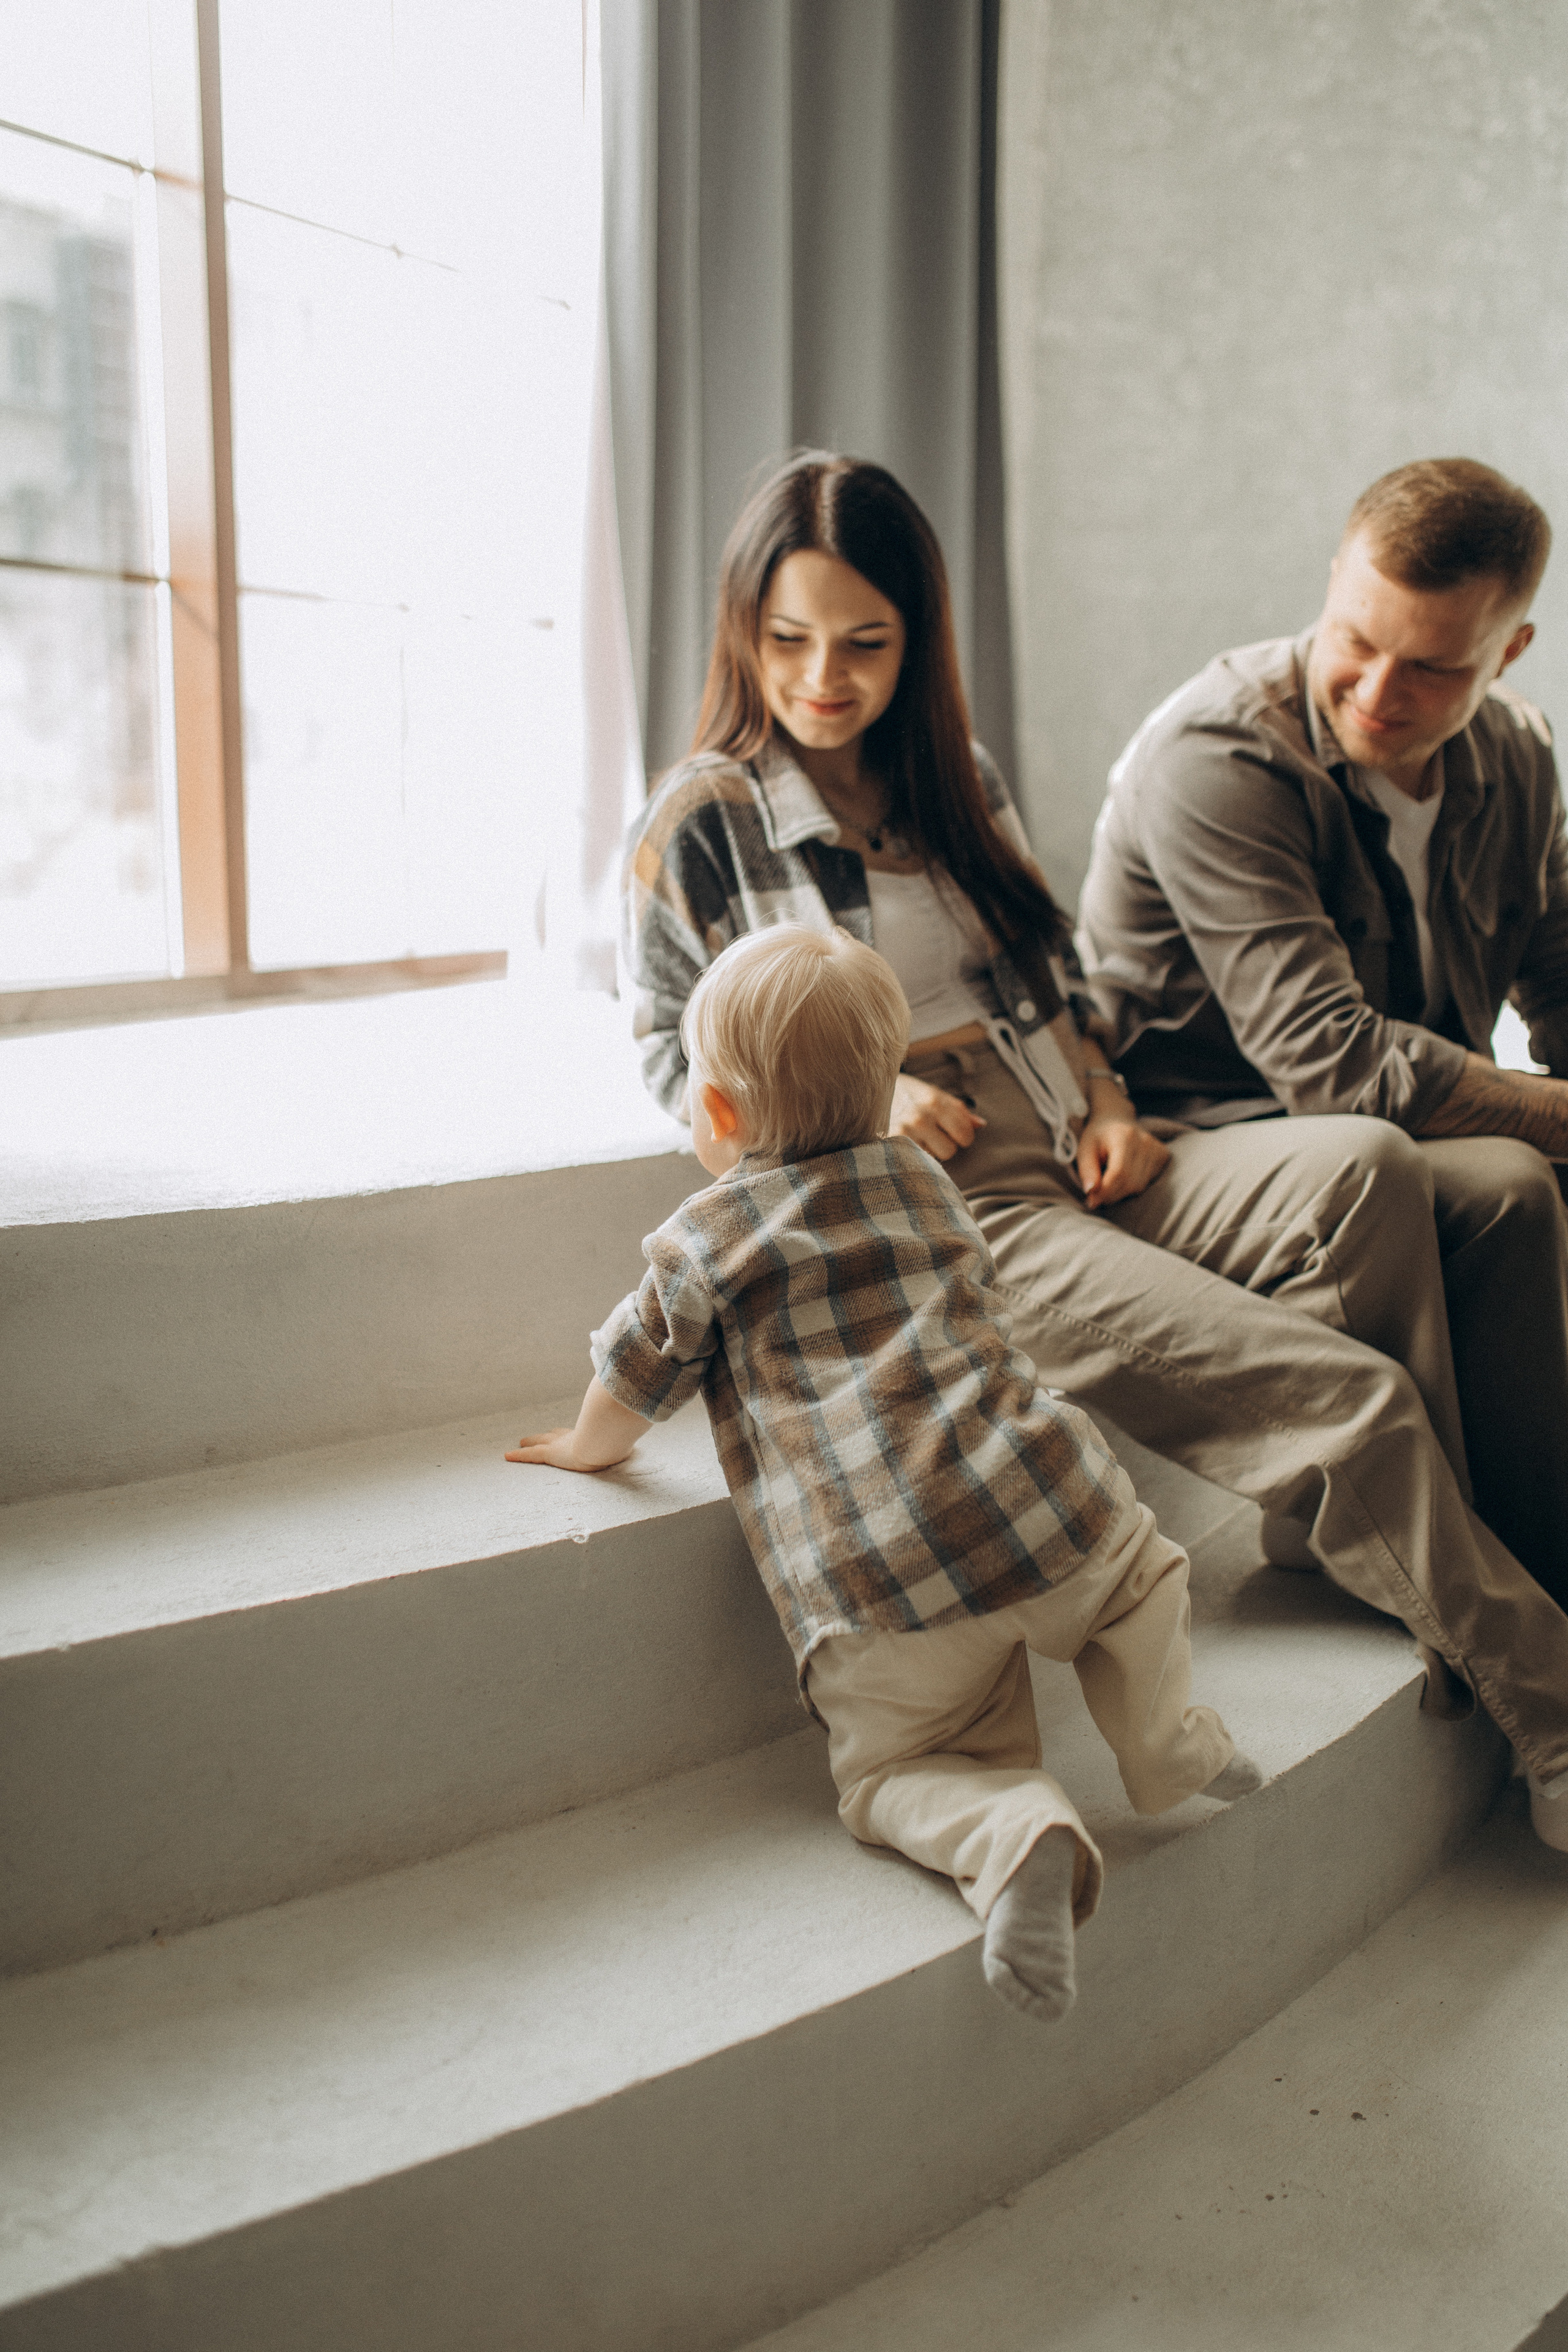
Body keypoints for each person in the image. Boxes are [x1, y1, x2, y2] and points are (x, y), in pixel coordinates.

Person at [620, 449, 1568, 1848]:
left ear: (914, 641)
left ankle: (1395, 1562)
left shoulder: (953, 780)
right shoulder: (699, 819)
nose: (825, 677)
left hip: (1091, 1139)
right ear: (739, 633)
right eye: (788, 640)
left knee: (1367, 1165)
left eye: (865, 642)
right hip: (943, 1200)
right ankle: (1549, 1716)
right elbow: (663, 1052)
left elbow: (1050, 986)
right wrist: (862, 1099)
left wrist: (1107, 1100)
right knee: (1344, 1396)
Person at [508, 924, 1262, 2024]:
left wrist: (586, 1448)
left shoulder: (704, 1238)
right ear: (886, 1087)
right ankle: (1165, 1742)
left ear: (717, 1113)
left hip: (879, 1584)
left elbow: (637, 1374)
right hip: (1047, 1500)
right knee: (1144, 1583)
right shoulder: (926, 1181)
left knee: (897, 1770)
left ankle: (1011, 1834)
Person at [1077, 458, 1568, 1623]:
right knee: (1508, 1177)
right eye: (1355, 638)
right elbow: (1331, 1064)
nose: (1377, 691)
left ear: (1507, 654)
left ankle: (1520, 1550)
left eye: (1434, 666)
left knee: (1523, 1167)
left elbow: (1559, 977)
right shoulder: (1221, 752)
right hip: (1193, 1137)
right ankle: (1501, 1577)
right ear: (1332, 583)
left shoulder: (1519, 760)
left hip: (1377, 1130)